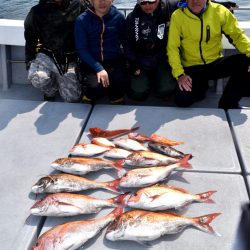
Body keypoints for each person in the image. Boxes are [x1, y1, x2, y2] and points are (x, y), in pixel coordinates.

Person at [167, 0, 250, 109]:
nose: (195, 1)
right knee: (182, 101)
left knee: (246, 61)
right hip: (192, 67)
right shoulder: (177, 16)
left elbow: (237, 36)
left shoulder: (220, 11)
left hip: (215, 63)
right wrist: (180, 75)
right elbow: (172, 48)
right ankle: (201, 88)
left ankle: (227, 104)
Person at [24, 0, 87, 102]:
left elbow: (95, 14)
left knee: (72, 98)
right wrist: (29, 60)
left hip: (69, 58)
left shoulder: (79, 5)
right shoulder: (36, 11)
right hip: (47, 54)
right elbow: (30, 38)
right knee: (38, 78)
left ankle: (60, 78)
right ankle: (50, 90)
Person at [74, 0, 130, 104]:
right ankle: (90, 94)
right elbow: (81, 49)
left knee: (122, 81)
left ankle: (115, 94)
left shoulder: (119, 17)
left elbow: (126, 43)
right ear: (91, 1)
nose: (102, 2)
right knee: (95, 88)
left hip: (114, 60)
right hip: (91, 61)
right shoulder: (82, 20)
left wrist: (133, 62)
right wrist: (98, 68)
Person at [125, 0, 177, 102]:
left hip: (162, 59)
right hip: (140, 60)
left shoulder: (167, 9)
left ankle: (159, 83)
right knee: (138, 94)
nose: (147, 5)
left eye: (151, 1)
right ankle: (146, 82)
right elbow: (127, 45)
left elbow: (190, 2)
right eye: (143, 2)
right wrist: (133, 63)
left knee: (167, 89)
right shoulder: (132, 18)